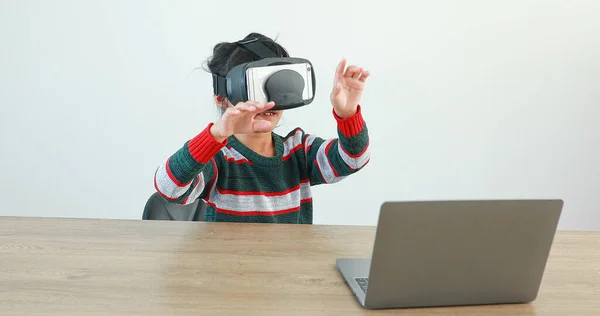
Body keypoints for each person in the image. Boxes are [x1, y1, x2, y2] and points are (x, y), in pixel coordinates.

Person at [153, 33, 371, 224]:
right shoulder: (218, 159)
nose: (268, 100)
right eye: (254, 88)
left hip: (288, 267)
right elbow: (168, 188)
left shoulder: (299, 151)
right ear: (222, 98)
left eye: (278, 84)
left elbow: (353, 160)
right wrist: (216, 135)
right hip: (231, 268)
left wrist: (348, 114)